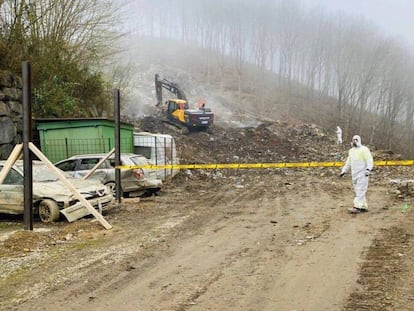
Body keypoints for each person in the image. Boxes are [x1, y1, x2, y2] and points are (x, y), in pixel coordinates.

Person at [339, 135, 373, 213]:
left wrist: (368, 169)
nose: (354, 141)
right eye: (353, 139)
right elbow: (348, 162)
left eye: (356, 140)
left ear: (359, 140)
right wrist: (344, 170)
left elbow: (369, 160)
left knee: (360, 190)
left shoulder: (364, 150)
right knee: (358, 190)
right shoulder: (351, 151)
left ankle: (357, 207)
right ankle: (363, 206)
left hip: (363, 173)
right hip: (354, 174)